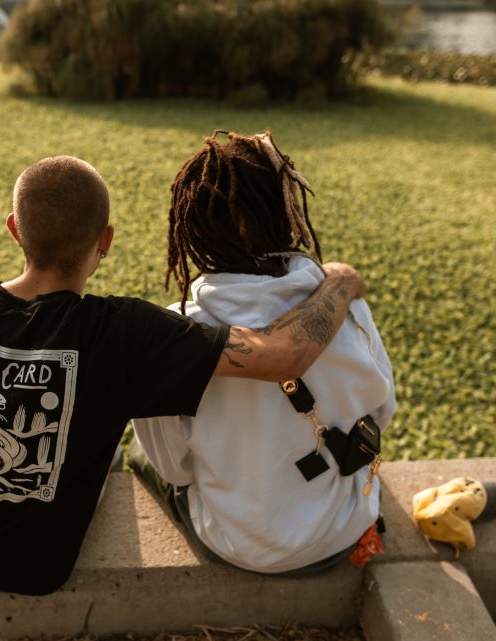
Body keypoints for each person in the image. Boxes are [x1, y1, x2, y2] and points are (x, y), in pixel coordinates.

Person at [0, 154, 367, 595]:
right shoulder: (125, 333)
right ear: (105, 240)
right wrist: (340, 280)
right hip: (31, 568)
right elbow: (282, 356)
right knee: (108, 453)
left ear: (14, 229)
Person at [132, 131, 396, 575]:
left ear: (191, 230)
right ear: (287, 212)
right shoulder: (343, 303)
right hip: (342, 530)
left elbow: (175, 470)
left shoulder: (174, 333)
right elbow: (381, 412)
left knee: (139, 456)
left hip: (236, 545)